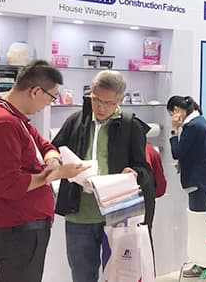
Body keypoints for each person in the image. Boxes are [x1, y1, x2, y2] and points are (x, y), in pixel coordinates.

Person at [0, 60, 88, 282]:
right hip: (18, 229)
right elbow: (8, 185)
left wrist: (53, 160)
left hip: (26, 227)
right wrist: (57, 174)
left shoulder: (16, 118)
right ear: (36, 91)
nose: (49, 103)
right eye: (51, 97)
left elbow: (45, 145)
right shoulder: (3, 124)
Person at [53, 70, 155, 282]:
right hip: (79, 213)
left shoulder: (130, 126)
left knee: (120, 275)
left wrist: (135, 173)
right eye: (95, 99)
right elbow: (54, 151)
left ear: (120, 100)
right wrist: (58, 163)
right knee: (82, 275)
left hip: (117, 216)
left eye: (107, 103)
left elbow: (144, 169)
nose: (99, 107)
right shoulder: (76, 121)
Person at [166, 95, 206, 281]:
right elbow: (197, 152)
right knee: (202, 225)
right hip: (203, 179)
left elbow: (177, 152)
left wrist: (173, 130)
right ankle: (202, 264)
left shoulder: (192, 126)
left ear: (176, 110)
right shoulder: (199, 121)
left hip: (200, 181)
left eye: (171, 114)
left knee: (203, 226)